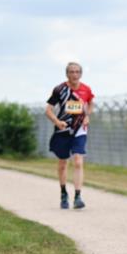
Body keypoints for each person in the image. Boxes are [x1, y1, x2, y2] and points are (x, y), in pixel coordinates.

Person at [45, 62, 94, 209]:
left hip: (79, 129)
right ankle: (63, 193)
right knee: (63, 163)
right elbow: (48, 109)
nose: (74, 74)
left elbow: (91, 103)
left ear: (81, 74)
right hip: (63, 129)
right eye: (72, 72)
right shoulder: (60, 89)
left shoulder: (86, 89)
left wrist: (87, 116)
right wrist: (57, 121)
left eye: (77, 72)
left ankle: (78, 196)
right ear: (67, 74)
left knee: (78, 160)